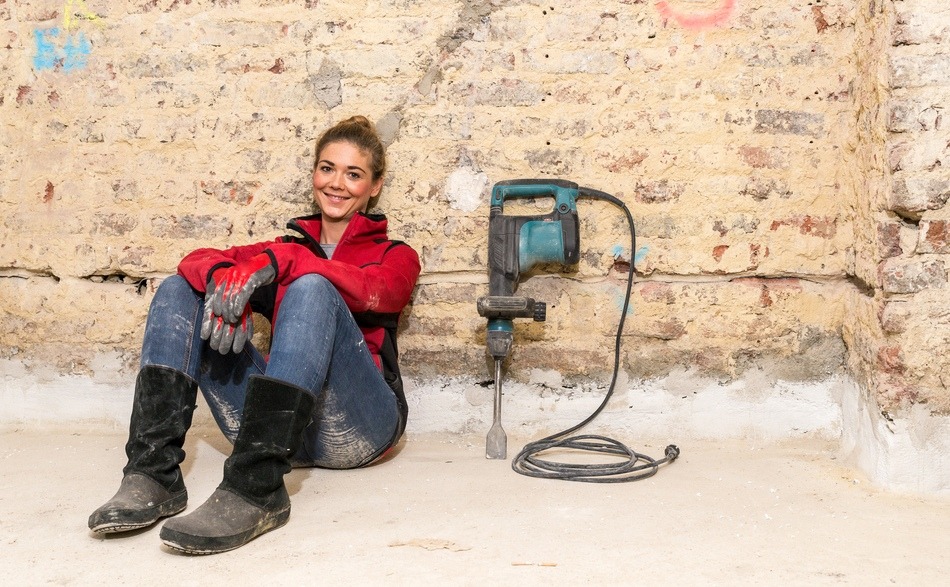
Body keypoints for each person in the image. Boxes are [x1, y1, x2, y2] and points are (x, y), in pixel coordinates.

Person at [88, 116, 421, 555]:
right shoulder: (286, 247)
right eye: (327, 168)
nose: (337, 183)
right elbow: (195, 259)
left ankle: (257, 489)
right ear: (314, 174)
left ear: (374, 185)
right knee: (180, 287)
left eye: (353, 173)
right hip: (276, 430)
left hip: (360, 427)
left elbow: (379, 293)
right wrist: (227, 288)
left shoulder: (394, 254)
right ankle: (153, 473)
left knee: (312, 288)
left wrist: (287, 263)